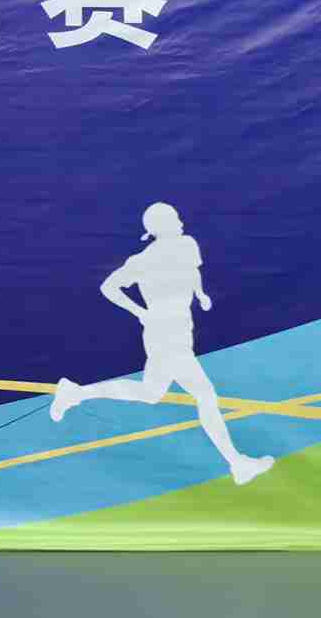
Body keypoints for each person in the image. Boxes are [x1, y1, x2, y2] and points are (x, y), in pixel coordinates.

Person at [47, 202, 269, 482]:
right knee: (205, 394)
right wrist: (140, 312)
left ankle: (75, 393)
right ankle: (237, 463)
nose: (181, 222)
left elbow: (192, 272)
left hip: (179, 330)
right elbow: (108, 287)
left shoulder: (187, 245)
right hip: (164, 335)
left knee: (150, 393)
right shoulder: (143, 261)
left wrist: (200, 294)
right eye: (175, 219)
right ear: (162, 226)